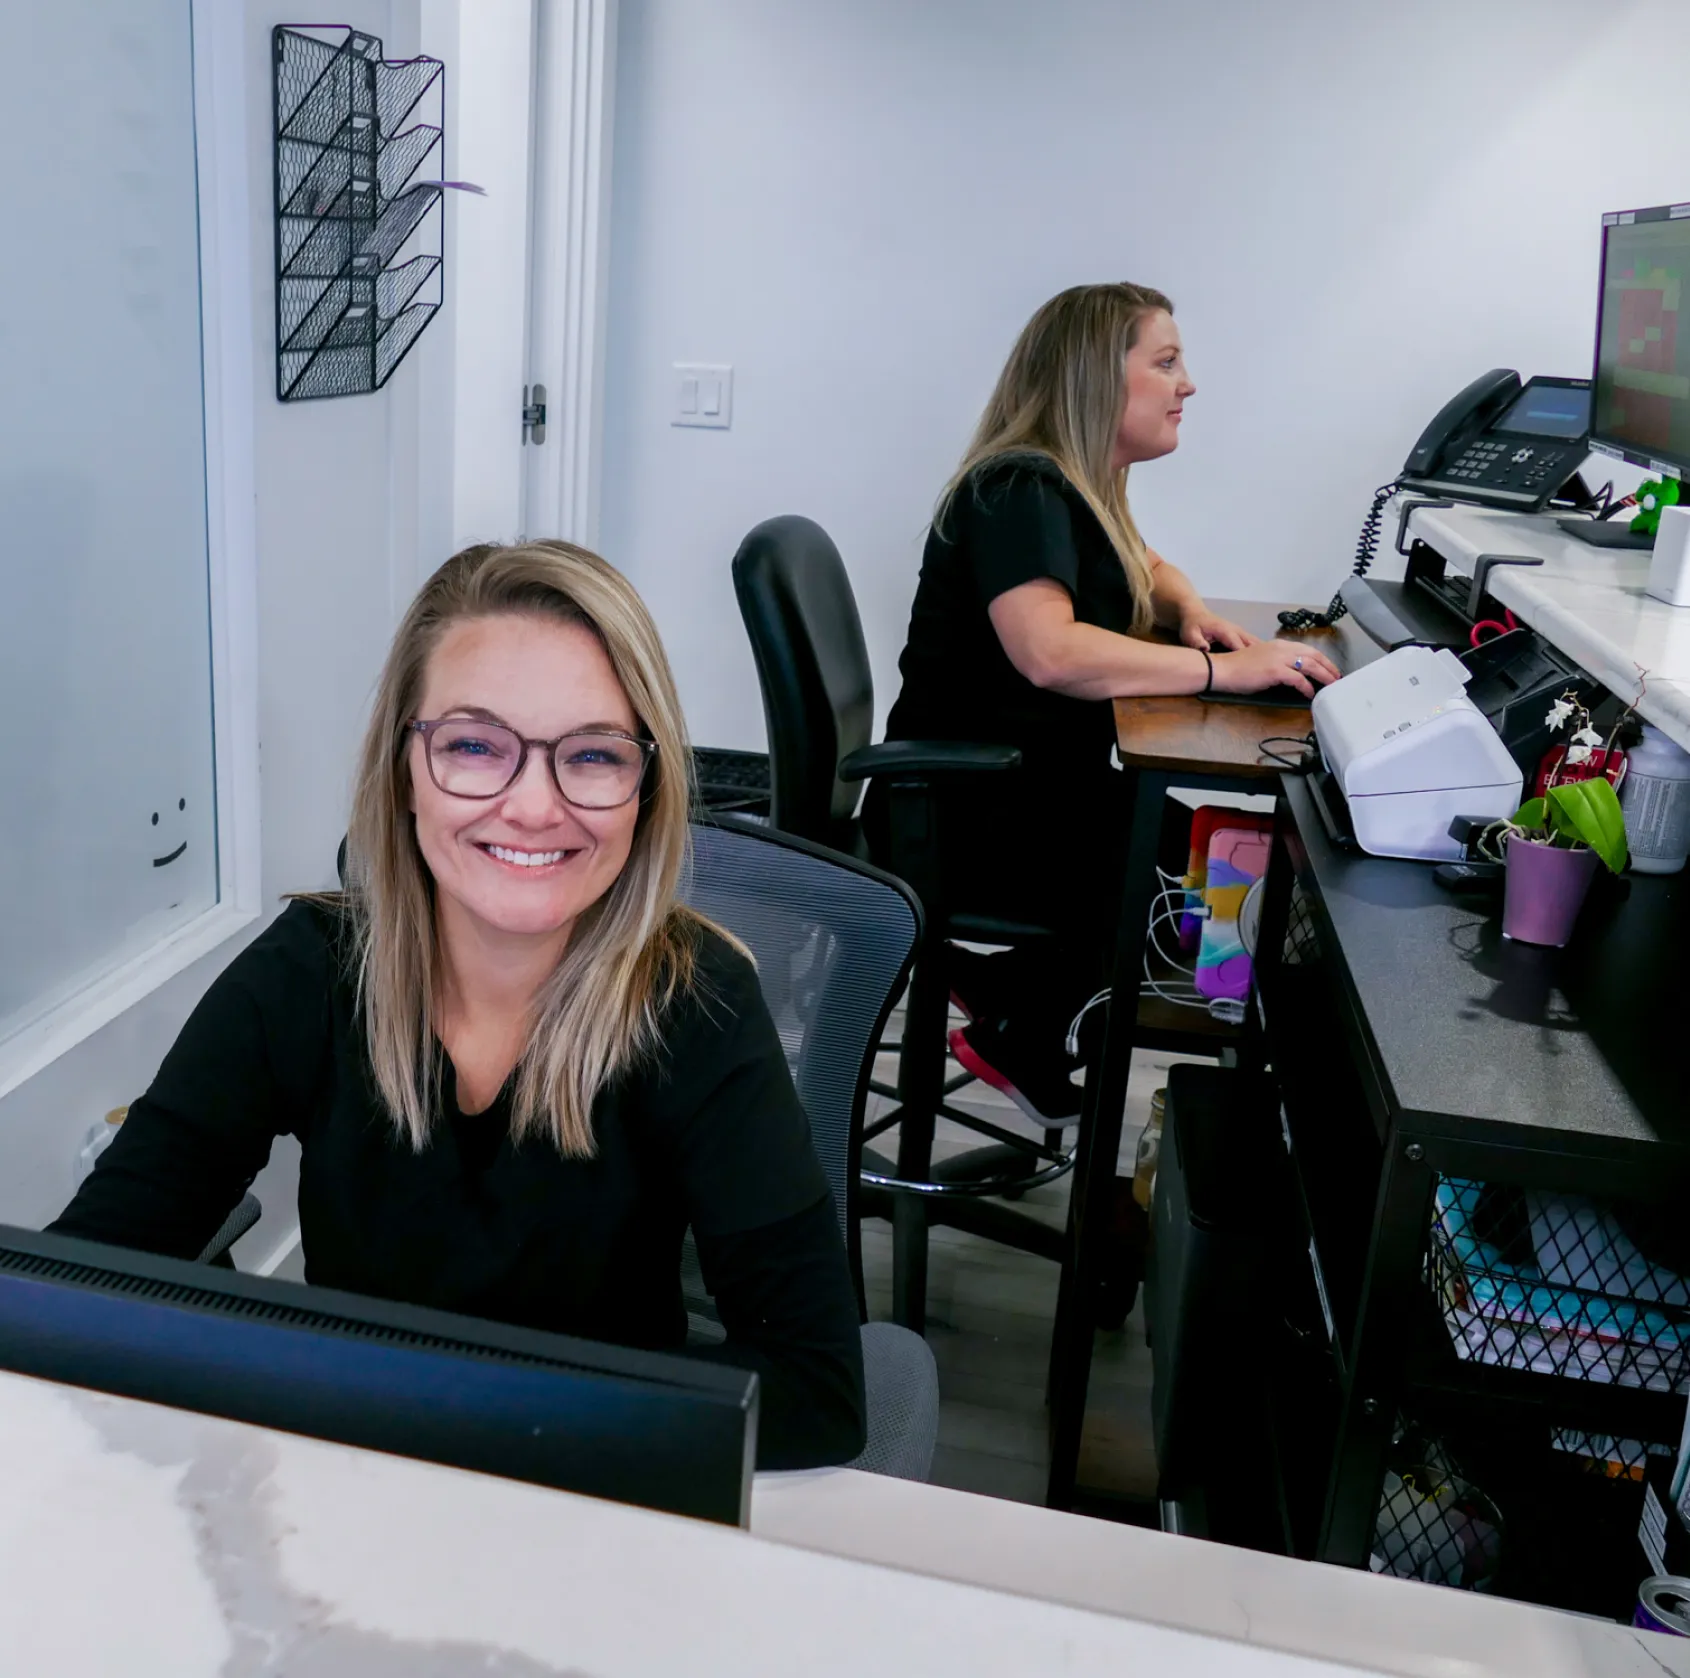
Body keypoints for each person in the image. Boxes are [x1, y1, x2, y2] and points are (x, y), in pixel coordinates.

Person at [52, 540, 866, 1470]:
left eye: (593, 755)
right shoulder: (309, 974)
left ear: (646, 787)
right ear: (403, 768)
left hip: (594, 1503)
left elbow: (819, 1392)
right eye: (475, 746)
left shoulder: (696, 1004)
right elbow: (81, 1279)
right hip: (359, 1493)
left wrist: (459, 1422)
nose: (532, 806)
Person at [875, 282, 1339, 1125]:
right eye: (1165, 363)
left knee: (1189, 857)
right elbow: (1049, 653)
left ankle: (1019, 998)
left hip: (1017, 795)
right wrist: (1224, 674)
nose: (1187, 384)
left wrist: (1192, 613)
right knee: (1191, 885)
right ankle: (1029, 1023)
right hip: (961, 817)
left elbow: (1148, 568)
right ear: (1095, 379)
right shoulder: (1017, 491)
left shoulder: (1080, 487)